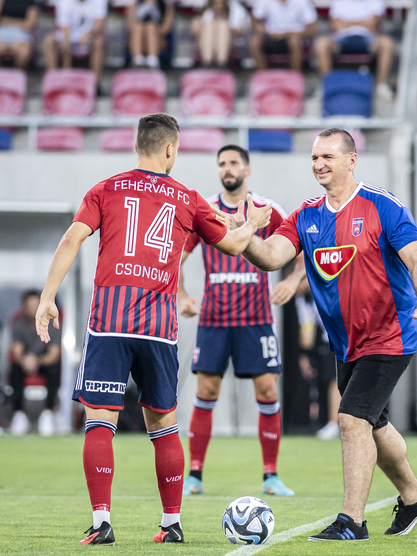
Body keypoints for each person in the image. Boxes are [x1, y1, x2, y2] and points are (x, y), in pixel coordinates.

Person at [33, 113, 273, 545]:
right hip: (159, 329)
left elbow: (71, 239)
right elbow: (236, 246)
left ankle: (102, 522)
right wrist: (253, 223)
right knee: (163, 425)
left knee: (99, 421)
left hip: (109, 321)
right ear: (170, 149)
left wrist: (48, 297)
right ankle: (171, 523)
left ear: (136, 145)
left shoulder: (106, 189)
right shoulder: (188, 198)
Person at [240, 128, 417, 542]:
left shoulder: (382, 206)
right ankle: (414, 495)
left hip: (390, 334)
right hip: (346, 343)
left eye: (327, 157)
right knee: (373, 423)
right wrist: (243, 235)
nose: (319, 164)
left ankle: (352, 521)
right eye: (315, 157)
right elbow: (272, 257)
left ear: (352, 160)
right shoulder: (306, 215)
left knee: (350, 419)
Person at [177, 144, 305, 498]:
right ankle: (194, 476)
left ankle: (271, 476)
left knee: (267, 391)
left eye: (233, 163)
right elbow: (175, 257)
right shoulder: (206, 210)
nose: (227, 168)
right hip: (214, 319)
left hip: (256, 319)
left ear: (247, 169)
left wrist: (292, 281)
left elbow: (302, 250)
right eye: (222, 163)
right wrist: (182, 295)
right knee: (206, 392)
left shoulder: (267, 209)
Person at [313, 0, 396, 100]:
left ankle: (381, 86)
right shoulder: (339, 2)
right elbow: (337, 25)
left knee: (387, 43)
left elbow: (374, 24)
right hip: (342, 39)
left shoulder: (376, 1)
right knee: (321, 43)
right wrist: (364, 22)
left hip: (368, 39)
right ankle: (327, 85)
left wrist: (346, 23)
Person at [9, 290, 63, 436]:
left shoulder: (53, 324)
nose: (33, 309)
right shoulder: (18, 325)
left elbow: (54, 355)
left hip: (44, 363)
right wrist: (25, 361)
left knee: (54, 370)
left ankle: (48, 412)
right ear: (24, 308)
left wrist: (37, 361)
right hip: (25, 363)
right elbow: (17, 352)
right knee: (15, 370)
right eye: (30, 306)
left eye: (36, 305)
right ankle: (19, 414)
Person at [295, 281, 341, 439]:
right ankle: (334, 423)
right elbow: (307, 326)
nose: (297, 286)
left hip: (354, 334)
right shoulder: (303, 298)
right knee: (334, 378)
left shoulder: (329, 282)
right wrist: (304, 356)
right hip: (333, 339)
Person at [43, 0, 107, 86]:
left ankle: (96, 84)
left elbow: (99, 25)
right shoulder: (64, 2)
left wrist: (88, 34)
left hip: (90, 37)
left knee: (98, 42)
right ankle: (54, 82)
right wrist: (67, 68)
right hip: (68, 37)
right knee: (48, 41)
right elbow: (65, 33)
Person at [250, 0, 317, 72]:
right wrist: (260, 29)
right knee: (254, 42)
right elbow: (254, 21)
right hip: (270, 36)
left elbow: (311, 30)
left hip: (294, 36)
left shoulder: (303, 2)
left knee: (294, 41)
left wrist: (285, 34)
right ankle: (262, 74)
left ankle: (295, 74)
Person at [190, 0, 250, 68]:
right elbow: (194, 30)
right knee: (210, 26)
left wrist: (227, 26)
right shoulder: (207, 11)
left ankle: (221, 62)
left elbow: (241, 32)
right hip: (209, 43)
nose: (218, 6)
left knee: (223, 25)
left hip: (231, 42)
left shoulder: (236, 10)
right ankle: (207, 61)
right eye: (216, 3)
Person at [0, 0, 39, 70]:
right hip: (0, 37)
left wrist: (6, 21)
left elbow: (30, 24)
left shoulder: (30, 2)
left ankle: (16, 75)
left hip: (21, 36)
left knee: (24, 53)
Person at [128, 0, 174, 69]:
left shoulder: (164, 3)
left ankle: (153, 60)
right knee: (138, 27)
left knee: (150, 27)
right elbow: (130, 25)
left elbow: (166, 27)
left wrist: (154, 30)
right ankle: (137, 59)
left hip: (158, 37)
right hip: (139, 38)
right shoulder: (135, 3)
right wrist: (144, 30)